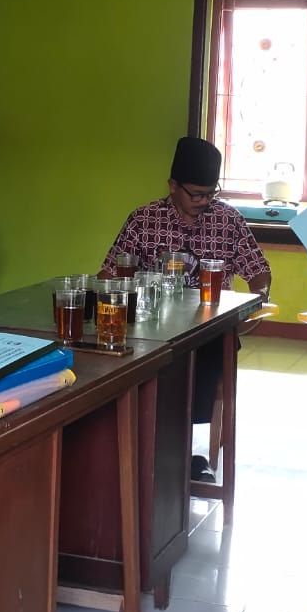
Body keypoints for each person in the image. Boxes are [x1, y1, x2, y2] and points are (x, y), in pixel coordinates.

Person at [99, 136, 272, 431]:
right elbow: (109, 274)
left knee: (207, 353)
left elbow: (259, 271)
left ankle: (185, 443)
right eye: (196, 194)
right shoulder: (144, 220)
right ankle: (150, 437)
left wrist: (258, 301)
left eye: (210, 194)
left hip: (210, 329)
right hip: (152, 332)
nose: (204, 201)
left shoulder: (228, 220)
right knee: (138, 365)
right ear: (173, 186)